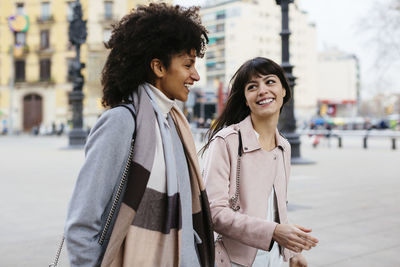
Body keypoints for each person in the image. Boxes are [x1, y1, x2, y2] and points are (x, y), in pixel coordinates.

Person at [64, 4, 214, 267]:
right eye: (188, 64)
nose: (196, 75)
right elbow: (81, 223)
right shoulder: (122, 122)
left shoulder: (175, 124)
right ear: (158, 67)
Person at [201, 57, 318, 267]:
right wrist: (273, 232)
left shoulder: (284, 146)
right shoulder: (226, 141)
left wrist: (291, 252)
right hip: (233, 260)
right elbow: (214, 213)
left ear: (284, 91)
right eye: (252, 86)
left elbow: (277, 208)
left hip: (274, 260)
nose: (262, 90)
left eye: (270, 82)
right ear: (246, 99)